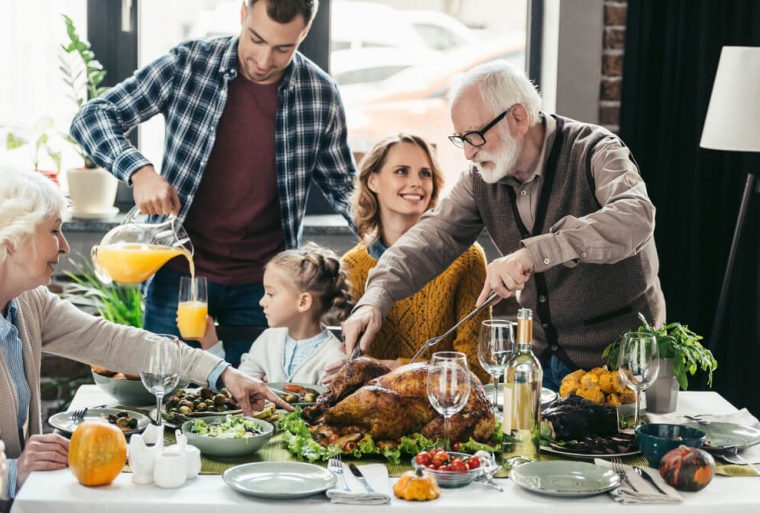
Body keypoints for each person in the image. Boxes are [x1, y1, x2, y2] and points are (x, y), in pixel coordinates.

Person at [342, 60, 666, 391]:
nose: (468, 153)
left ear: (518, 117)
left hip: (625, 366)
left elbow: (635, 216)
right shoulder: (480, 179)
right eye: (461, 139)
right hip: (542, 365)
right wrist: (375, 298)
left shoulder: (596, 150)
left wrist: (531, 254)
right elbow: (432, 235)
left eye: (476, 136)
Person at [70, 0, 357, 367]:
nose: (265, 60)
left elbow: (345, 188)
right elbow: (91, 117)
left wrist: (398, 246)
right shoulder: (189, 64)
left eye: (284, 48)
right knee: (167, 393)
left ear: (304, 34)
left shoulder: (319, 94)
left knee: (254, 407)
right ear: (243, 14)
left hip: (266, 288)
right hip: (178, 277)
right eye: (256, 39)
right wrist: (139, 171)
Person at [0, 166, 290, 505]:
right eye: (54, 231)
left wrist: (222, 372)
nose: (64, 246)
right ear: (11, 238)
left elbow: (111, 341)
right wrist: (13, 472)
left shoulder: (29, 303)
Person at [325, 133, 488, 381]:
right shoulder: (349, 265)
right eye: (402, 171)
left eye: (426, 174)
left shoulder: (467, 259)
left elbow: (476, 371)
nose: (416, 183)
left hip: (443, 408)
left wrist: (391, 368)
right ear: (372, 181)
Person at [194, 244, 351, 385]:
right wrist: (211, 344)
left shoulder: (335, 359)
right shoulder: (268, 340)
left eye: (270, 293)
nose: (262, 302)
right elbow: (237, 387)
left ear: (303, 302)